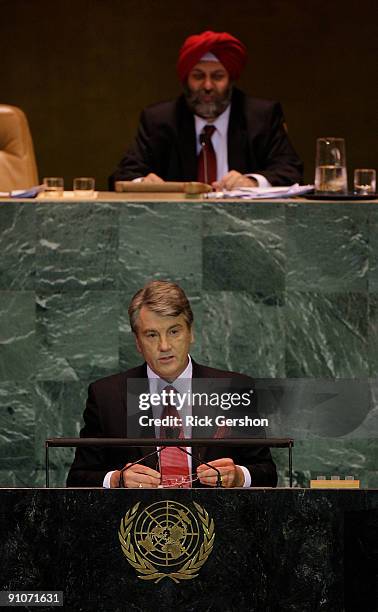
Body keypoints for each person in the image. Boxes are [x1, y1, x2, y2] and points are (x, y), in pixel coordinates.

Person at [66, 280, 277, 488]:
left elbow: (267, 473)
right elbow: (77, 479)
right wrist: (116, 480)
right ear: (138, 342)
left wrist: (239, 476)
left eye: (174, 331)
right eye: (151, 335)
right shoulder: (106, 396)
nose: (164, 346)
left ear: (190, 333)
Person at [109, 30, 303, 191]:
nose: (208, 86)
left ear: (231, 80)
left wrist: (252, 182)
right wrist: (143, 184)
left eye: (218, 76)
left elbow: (290, 171)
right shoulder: (160, 120)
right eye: (198, 76)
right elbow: (122, 175)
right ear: (186, 80)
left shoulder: (261, 117)